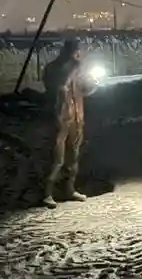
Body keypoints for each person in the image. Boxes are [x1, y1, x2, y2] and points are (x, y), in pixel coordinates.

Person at [41, 39, 99, 208]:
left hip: (76, 116)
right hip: (60, 117)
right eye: (76, 51)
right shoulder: (54, 69)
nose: (78, 55)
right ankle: (47, 193)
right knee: (57, 158)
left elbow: (83, 90)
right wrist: (73, 69)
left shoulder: (77, 69)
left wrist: (94, 84)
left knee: (73, 155)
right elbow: (57, 88)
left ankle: (69, 189)